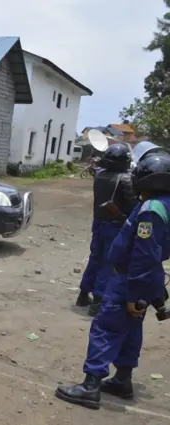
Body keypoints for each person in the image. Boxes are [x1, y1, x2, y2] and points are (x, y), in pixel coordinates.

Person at [56, 150, 170, 409]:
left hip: (129, 279)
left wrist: (133, 295)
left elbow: (144, 255)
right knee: (130, 331)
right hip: (143, 279)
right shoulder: (164, 203)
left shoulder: (152, 209)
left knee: (105, 328)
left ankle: (90, 386)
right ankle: (122, 380)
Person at [76, 143, 137, 316]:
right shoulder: (125, 179)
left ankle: (83, 294)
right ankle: (97, 301)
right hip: (116, 225)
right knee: (108, 263)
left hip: (99, 222)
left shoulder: (100, 175)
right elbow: (132, 205)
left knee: (95, 258)